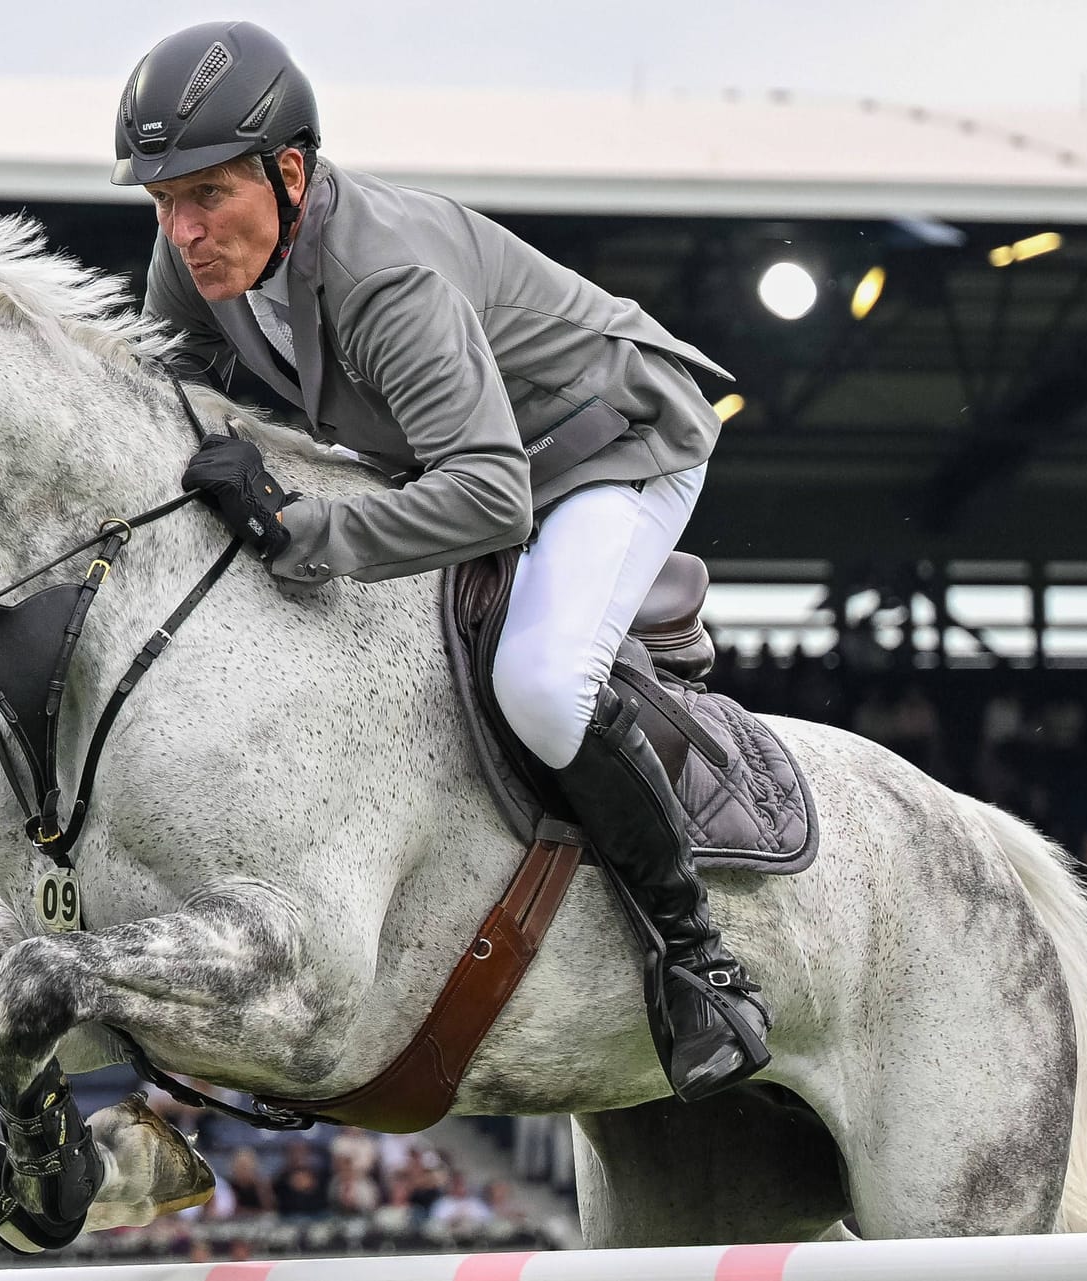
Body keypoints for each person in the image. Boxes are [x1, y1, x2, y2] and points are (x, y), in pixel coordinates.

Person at [114, 20, 763, 1099]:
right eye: (163, 200)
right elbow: (157, 412)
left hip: (610, 444)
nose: (182, 229)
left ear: (288, 170)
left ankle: (698, 957)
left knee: (543, 687)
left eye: (206, 194)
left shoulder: (382, 276)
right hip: (469, 455)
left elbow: (492, 495)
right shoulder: (204, 253)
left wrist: (299, 530)